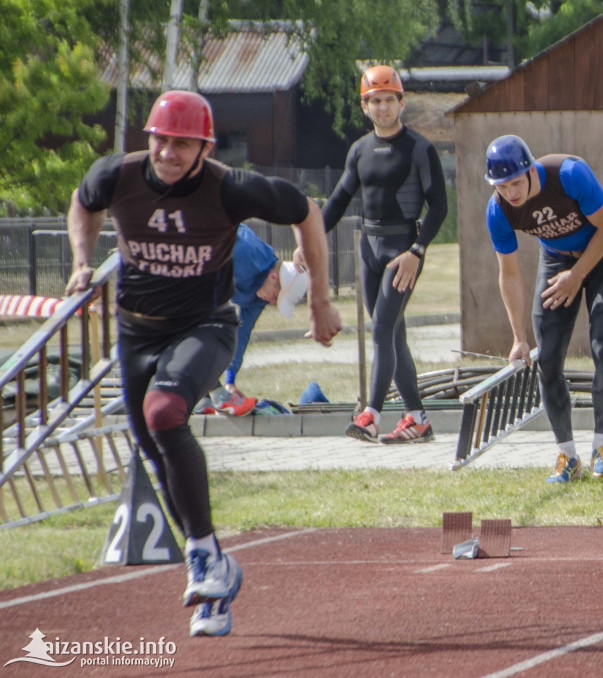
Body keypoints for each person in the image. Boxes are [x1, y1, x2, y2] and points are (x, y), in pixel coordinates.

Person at [65, 90, 341, 637]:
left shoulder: (230, 187)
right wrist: (80, 262)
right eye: (160, 140)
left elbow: (307, 210)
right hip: (136, 331)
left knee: (165, 412)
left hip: (205, 326)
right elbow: (82, 203)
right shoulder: (115, 175)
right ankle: (212, 565)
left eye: (182, 143)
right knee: (155, 449)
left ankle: (206, 561)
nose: (168, 152)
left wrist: (320, 298)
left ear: (203, 147)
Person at [483, 135, 603, 483]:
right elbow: (510, 274)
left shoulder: (569, 174)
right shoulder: (499, 210)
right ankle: (568, 456)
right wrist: (518, 337)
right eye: (502, 186)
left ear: (531, 170)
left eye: (516, 182)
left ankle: (602, 450)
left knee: (602, 347)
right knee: (546, 357)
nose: (511, 192)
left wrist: (577, 276)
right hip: (555, 259)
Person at [320, 64, 447, 444]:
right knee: (393, 335)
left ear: (401, 102)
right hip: (369, 249)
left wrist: (416, 251)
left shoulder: (419, 148)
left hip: (402, 252)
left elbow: (439, 207)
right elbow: (340, 199)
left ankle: (371, 414)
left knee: (381, 329)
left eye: (389, 100)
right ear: (365, 106)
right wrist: (311, 238)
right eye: (375, 101)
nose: (382, 107)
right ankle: (418, 419)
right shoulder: (359, 150)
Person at [194, 224, 310, 416]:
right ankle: (211, 392)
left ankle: (206, 394)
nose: (272, 303)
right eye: (276, 297)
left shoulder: (259, 296)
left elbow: (242, 333)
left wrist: (230, 381)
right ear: (274, 277)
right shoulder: (244, 253)